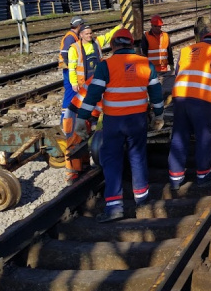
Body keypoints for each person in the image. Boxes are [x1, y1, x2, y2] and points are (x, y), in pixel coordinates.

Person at [75, 28, 164, 223]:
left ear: (113, 45)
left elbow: (93, 95)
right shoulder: (146, 64)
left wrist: (82, 118)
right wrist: (159, 115)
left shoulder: (106, 66)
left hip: (114, 122)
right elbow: (156, 94)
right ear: (132, 45)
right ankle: (142, 199)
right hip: (138, 121)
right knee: (138, 156)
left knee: (112, 159)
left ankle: (114, 207)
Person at [168, 22, 211, 190]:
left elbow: (177, 74)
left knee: (179, 136)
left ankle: (175, 179)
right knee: (203, 137)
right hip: (201, 101)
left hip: (179, 100)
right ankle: (203, 175)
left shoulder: (185, 51)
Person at [60, 75, 101, 184]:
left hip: (86, 112)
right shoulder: (106, 79)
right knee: (74, 144)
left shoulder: (106, 75)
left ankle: (85, 167)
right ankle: (72, 175)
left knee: (84, 139)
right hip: (76, 111)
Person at [68, 23, 120, 93]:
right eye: (87, 34)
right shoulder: (74, 48)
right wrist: (74, 83)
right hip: (83, 82)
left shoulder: (96, 41)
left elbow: (109, 36)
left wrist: (119, 26)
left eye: (90, 33)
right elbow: (72, 69)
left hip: (98, 79)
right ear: (81, 35)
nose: (89, 35)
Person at [59, 16, 85, 119]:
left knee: (72, 93)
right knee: (70, 93)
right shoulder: (71, 37)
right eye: (82, 25)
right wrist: (72, 66)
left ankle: (69, 118)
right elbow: (65, 52)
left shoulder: (73, 35)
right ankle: (65, 119)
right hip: (68, 69)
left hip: (68, 69)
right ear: (79, 26)